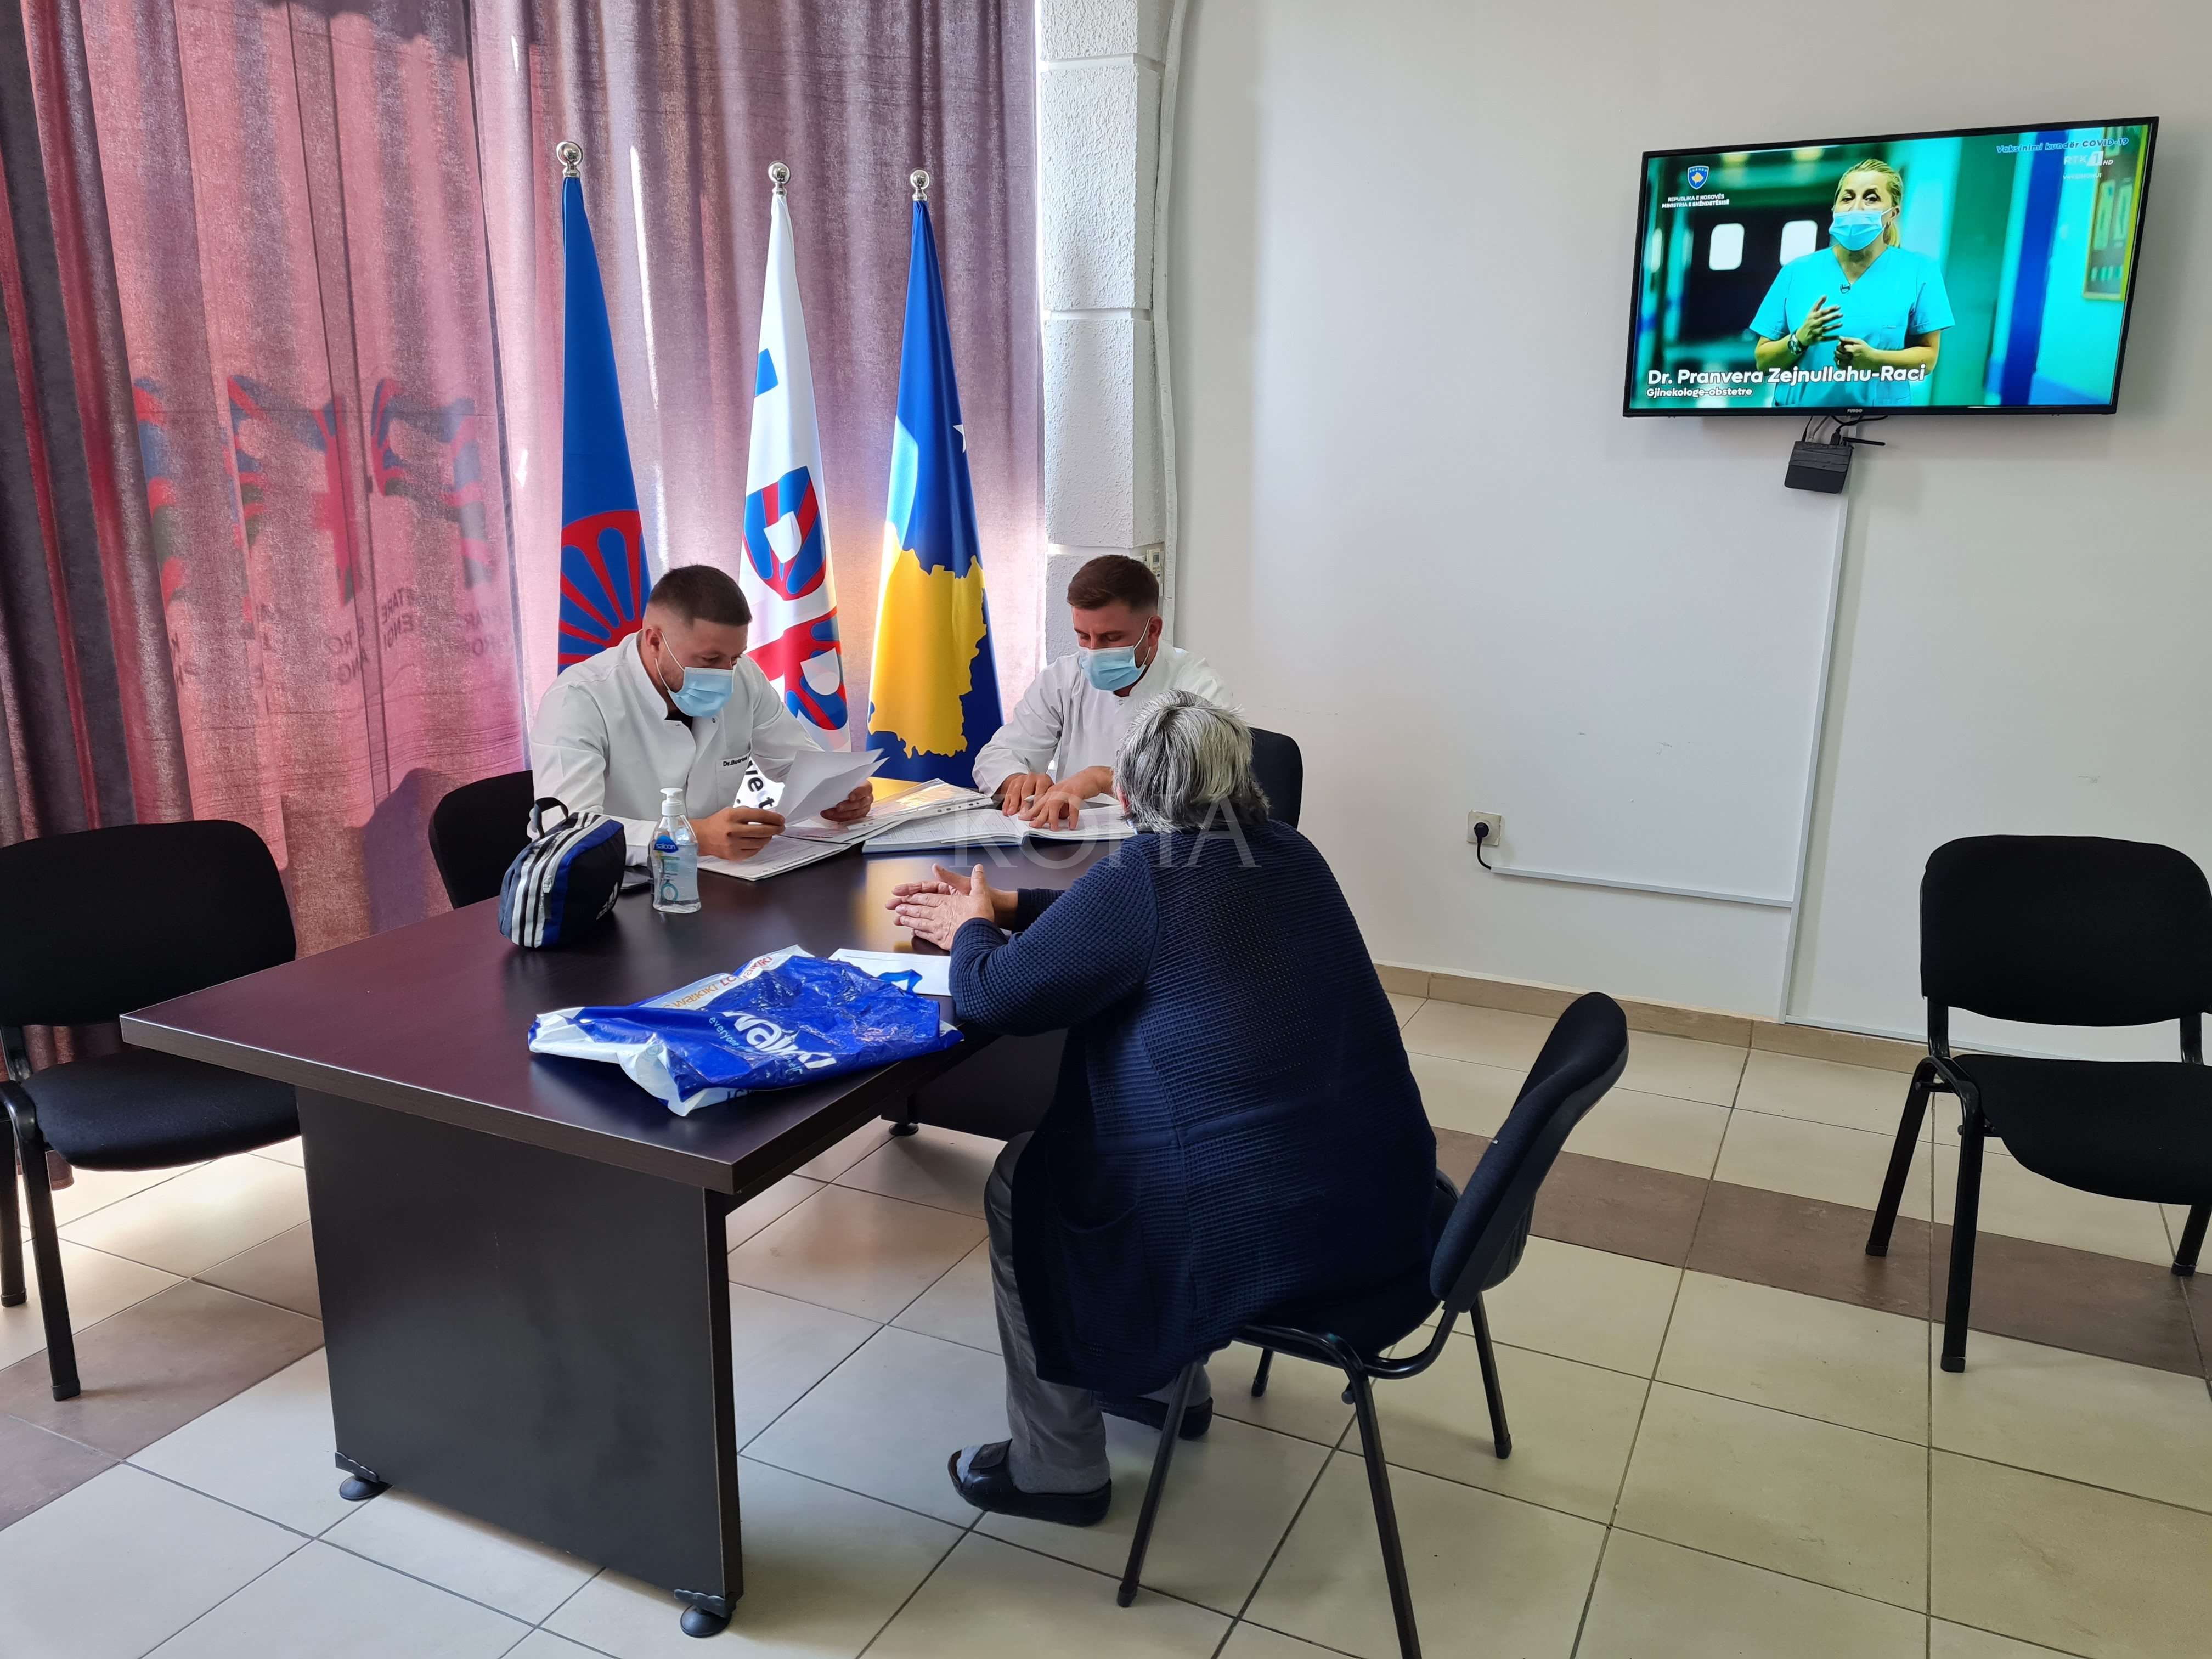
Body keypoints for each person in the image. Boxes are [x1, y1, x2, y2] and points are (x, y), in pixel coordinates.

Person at [889, 692, 1438, 1525]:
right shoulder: (1292, 852)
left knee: (1027, 1181)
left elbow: (992, 997)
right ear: (1243, 779)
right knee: (1130, 1148)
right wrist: (1007, 910)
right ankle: (1158, 1381)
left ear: (1129, 796)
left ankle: (1056, 1468)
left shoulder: (1147, 872)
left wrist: (971, 930)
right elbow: (1131, 923)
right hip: (1380, 1202)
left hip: (1265, 1230)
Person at [528, 563, 870, 864]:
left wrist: (835, 793)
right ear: (654, 641)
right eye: (709, 660)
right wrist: (689, 836)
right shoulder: (577, 700)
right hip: (618, 888)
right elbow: (569, 831)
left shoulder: (744, 677)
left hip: (717, 879)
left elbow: (796, 762)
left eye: (734, 658)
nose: (725, 673)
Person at [972, 554, 1229, 830]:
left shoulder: (1198, 688)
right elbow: (997, 755)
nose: (1094, 651)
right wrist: (1015, 780)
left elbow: (1203, 788)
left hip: (1161, 842)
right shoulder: (1063, 678)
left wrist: (1106, 780)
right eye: (1083, 636)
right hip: (1066, 838)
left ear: (1153, 630)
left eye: (1111, 638)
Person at [1750, 157, 1954, 408]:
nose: (1856, 207)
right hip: (1799, 420)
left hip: (1883, 420)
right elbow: (1763, 361)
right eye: (1847, 198)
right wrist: (1799, 339)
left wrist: (1874, 360)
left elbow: (1928, 359)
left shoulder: (1920, 271)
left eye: (1871, 198)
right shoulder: (1797, 271)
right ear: (1835, 209)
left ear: (1893, 214)